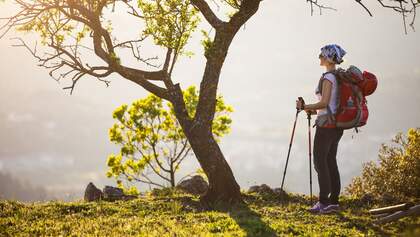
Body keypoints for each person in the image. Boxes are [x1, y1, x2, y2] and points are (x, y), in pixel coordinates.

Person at [296, 44, 347, 214]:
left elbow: (324, 103)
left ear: (329, 58)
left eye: (321, 55)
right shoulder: (337, 77)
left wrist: (304, 106)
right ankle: (333, 202)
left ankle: (323, 203)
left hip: (326, 125)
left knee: (320, 162)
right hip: (336, 125)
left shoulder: (328, 78)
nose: (319, 57)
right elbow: (329, 104)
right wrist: (311, 109)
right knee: (330, 161)